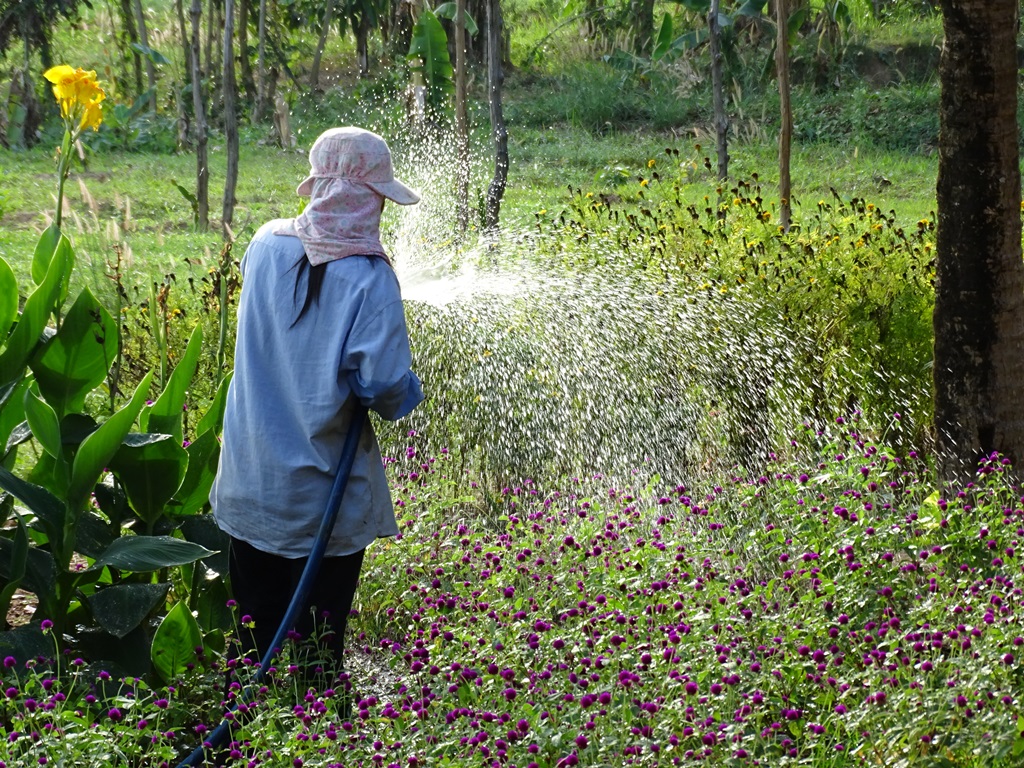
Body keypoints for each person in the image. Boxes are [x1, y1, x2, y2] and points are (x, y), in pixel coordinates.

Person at [210, 127, 424, 671]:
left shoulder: (263, 244)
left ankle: (245, 741)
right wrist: (407, 388)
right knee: (318, 654)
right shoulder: (371, 279)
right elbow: (383, 388)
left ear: (320, 186)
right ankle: (321, 739)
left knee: (251, 640)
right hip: (319, 502)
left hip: (251, 482)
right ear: (367, 196)